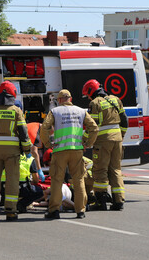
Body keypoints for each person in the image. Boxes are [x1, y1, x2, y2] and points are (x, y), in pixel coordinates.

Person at [40, 89, 98, 219]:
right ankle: (80, 210)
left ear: (59, 100)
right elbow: (94, 128)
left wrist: (48, 144)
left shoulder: (55, 111)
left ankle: (54, 210)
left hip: (60, 151)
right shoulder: (81, 111)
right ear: (70, 99)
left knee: (56, 180)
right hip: (76, 151)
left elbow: (44, 128)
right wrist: (87, 143)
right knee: (78, 180)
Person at [0, 81, 31, 221]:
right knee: (12, 181)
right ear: (13, 94)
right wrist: (27, 150)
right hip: (12, 152)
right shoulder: (16, 111)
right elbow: (23, 132)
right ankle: (10, 211)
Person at [82, 79, 128, 211]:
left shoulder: (94, 103)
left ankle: (100, 201)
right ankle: (118, 201)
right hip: (117, 140)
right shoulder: (115, 99)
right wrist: (121, 136)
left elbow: (92, 126)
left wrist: (85, 141)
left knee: (100, 170)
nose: (88, 98)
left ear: (91, 92)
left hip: (102, 143)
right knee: (116, 170)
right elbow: (125, 120)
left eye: (88, 95)